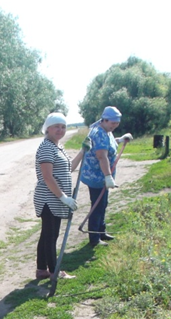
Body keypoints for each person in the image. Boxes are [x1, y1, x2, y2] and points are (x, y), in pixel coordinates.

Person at [33, 112, 86, 281]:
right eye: (56, 126)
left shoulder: (57, 147)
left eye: (63, 127)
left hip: (55, 198)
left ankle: (42, 270)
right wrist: (63, 197)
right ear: (47, 128)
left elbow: (69, 168)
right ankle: (54, 271)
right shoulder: (46, 147)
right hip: (49, 198)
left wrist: (83, 151)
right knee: (51, 236)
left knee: (47, 235)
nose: (60, 130)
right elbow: (47, 177)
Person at [80, 106, 133, 246]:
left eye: (117, 123)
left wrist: (120, 140)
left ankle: (101, 232)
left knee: (103, 204)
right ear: (104, 120)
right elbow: (102, 156)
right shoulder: (98, 132)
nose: (115, 125)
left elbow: (108, 144)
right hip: (97, 176)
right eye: (112, 123)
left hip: (102, 176)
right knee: (97, 206)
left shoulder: (106, 130)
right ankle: (94, 238)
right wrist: (108, 177)